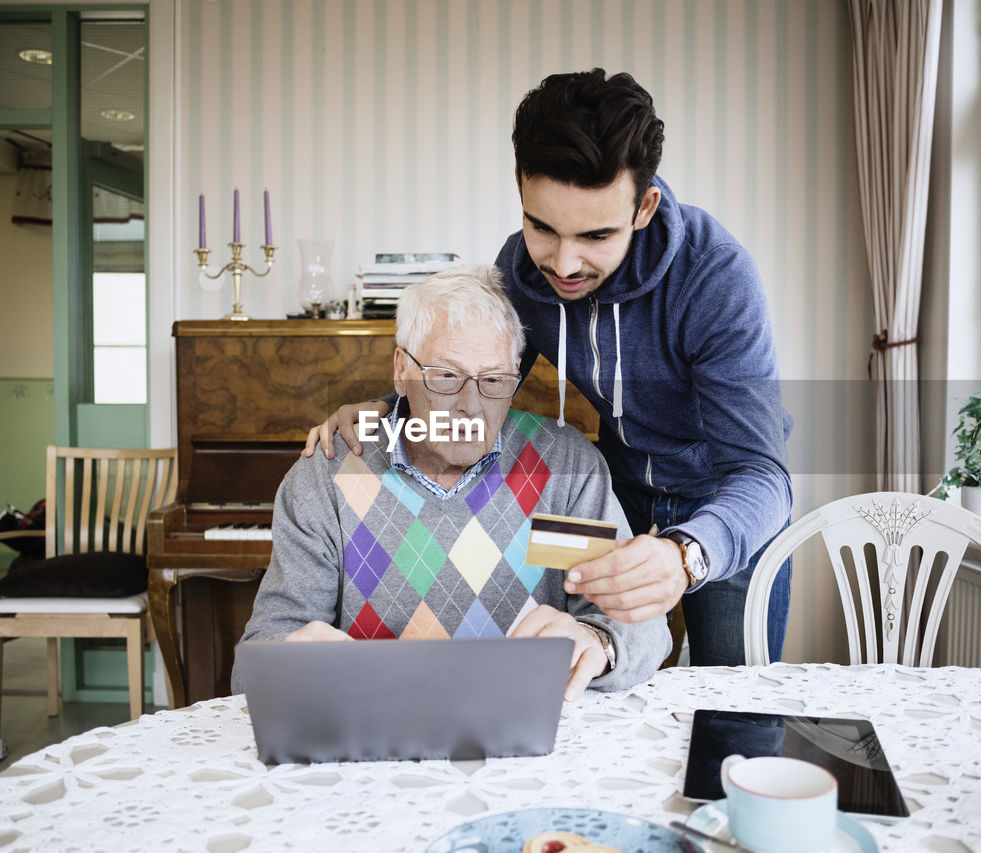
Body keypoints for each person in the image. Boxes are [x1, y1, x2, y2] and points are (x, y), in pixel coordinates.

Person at [305, 69, 792, 667]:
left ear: (645, 207)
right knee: (607, 676)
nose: (563, 264)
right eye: (542, 227)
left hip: (724, 505)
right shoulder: (521, 268)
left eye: (595, 235)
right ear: (520, 187)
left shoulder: (716, 277)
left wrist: (686, 553)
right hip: (615, 493)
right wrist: (389, 408)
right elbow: (473, 370)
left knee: (734, 710)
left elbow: (763, 476)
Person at [235, 264, 670, 699]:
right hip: (373, 732)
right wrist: (288, 662)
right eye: (446, 376)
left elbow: (636, 622)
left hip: (529, 734)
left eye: (494, 380)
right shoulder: (329, 476)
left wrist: (598, 642)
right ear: (401, 369)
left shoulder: (558, 473)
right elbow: (262, 654)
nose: (471, 407)